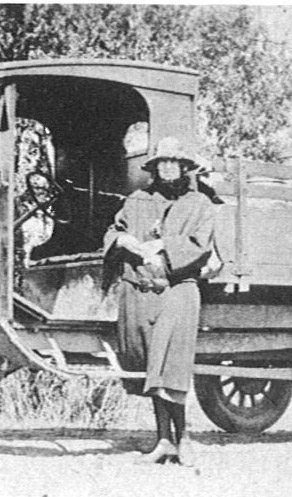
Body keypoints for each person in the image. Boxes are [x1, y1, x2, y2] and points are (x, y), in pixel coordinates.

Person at [103, 136, 216, 465]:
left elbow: (199, 245)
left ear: (184, 167)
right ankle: (163, 440)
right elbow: (114, 229)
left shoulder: (199, 204)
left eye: (174, 162)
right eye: (162, 163)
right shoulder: (137, 200)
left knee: (172, 365)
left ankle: (184, 438)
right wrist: (122, 239)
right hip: (142, 291)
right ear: (155, 168)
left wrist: (162, 246)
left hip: (179, 288)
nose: (168, 168)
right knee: (151, 365)